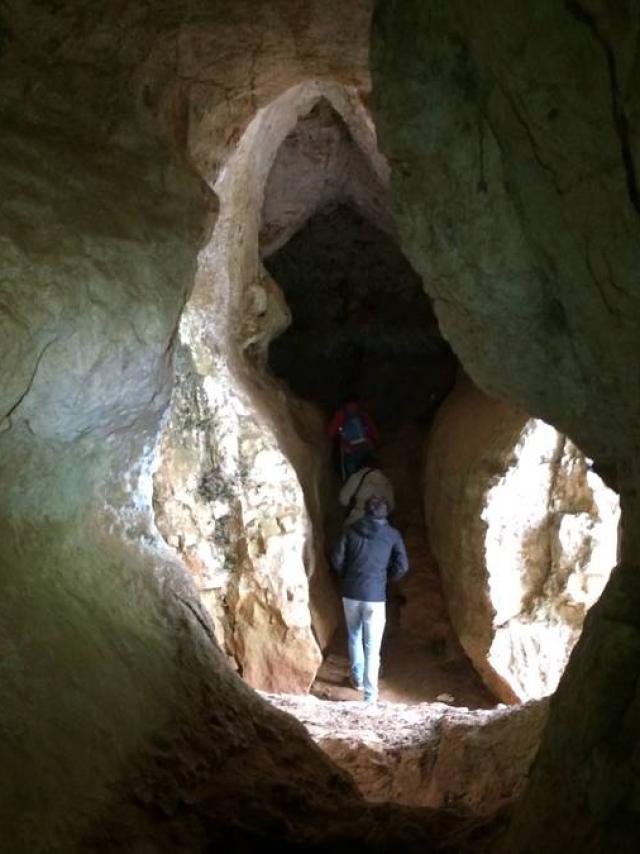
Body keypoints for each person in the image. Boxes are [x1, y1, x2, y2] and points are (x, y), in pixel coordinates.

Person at [331, 495, 409, 704]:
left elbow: (337, 559)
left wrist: (347, 576)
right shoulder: (392, 535)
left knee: (354, 637)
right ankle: (370, 695)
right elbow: (402, 566)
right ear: (386, 513)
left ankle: (357, 680)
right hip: (375, 595)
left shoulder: (350, 530)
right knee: (372, 646)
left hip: (351, 592)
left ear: (365, 510)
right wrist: (384, 579)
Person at [327, 395, 379, 481]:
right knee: (351, 468)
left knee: (370, 467)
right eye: (350, 405)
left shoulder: (362, 415)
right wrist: (342, 443)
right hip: (350, 448)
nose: (353, 408)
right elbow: (331, 433)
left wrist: (372, 441)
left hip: (365, 446)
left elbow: (372, 430)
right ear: (346, 406)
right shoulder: (341, 415)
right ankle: (351, 485)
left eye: (355, 405)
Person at [339, 457, 395, 526]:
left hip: (357, 519)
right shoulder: (386, 482)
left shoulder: (357, 476)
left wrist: (354, 505)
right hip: (378, 523)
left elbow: (342, 499)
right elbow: (391, 506)